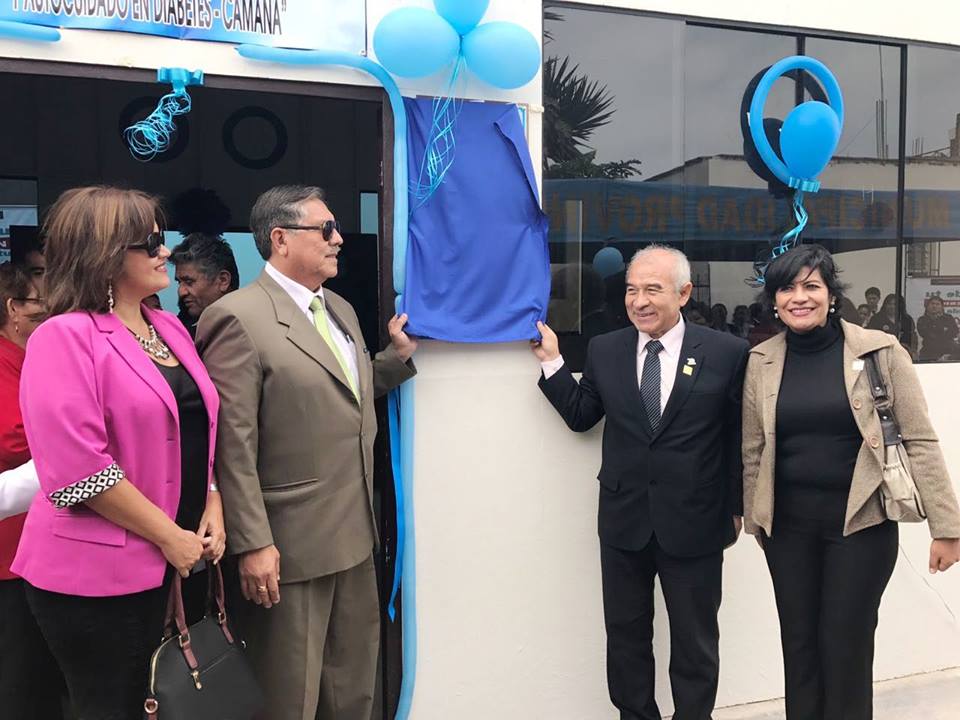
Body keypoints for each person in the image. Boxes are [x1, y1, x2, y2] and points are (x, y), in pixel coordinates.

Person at [195, 185, 417, 720]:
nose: (339, 240)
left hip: (355, 534)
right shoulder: (237, 317)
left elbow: (338, 391)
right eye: (326, 229)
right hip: (288, 548)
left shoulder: (339, 308)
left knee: (353, 689)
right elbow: (232, 443)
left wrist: (394, 361)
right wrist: (253, 542)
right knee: (289, 695)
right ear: (280, 239)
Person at [12, 186, 227, 720]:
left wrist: (212, 499)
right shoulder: (63, 337)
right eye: (150, 243)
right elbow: (78, 471)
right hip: (98, 576)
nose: (165, 252)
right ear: (104, 254)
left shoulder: (168, 327)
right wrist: (170, 536)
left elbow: (198, 428)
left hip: (180, 559)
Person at [742, 244, 960, 720]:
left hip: (861, 526)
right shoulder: (761, 361)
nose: (800, 297)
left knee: (845, 645)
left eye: (811, 286)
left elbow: (919, 440)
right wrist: (758, 521)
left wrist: (947, 527)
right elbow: (753, 448)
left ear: (831, 295)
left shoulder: (880, 351)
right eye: (787, 288)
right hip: (789, 532)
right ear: (774, 301)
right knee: (799, 645)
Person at [532, 245, 749, 720]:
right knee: (626, 636)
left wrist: (736, 508)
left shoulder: (726, 352)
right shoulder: (605, 349)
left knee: (695, 640)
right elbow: (582, 415)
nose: (639, 301)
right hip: (624, 518)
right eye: (632, 290)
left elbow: (737, 437)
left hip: (696, 521)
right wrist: (552, 363)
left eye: (653, 289)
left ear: (684, 293)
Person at [0, 262, 65, 718]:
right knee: (20, 671)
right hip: (10, 545)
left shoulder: (31, 359)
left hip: (39, 540)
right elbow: (13, 437)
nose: (48, 310)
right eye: (40, 303)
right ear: (13, 309)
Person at [170, 232, 239, 336]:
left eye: (189, 282)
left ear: (223, 280)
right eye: (179, 282)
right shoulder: (175, 331)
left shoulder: (245, 329)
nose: (181, 292)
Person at [868, 293, 918, 357]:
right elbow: (871, 337)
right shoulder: (876, 319)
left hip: (904, 353)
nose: (892, 306)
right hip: (882, 353)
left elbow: (913, 337)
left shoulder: (907, 319)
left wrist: (913, 350)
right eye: (889, 304)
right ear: (885, 305)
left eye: (895, 304)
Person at [917, 295, 958, 362]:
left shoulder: (949, 318)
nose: (934, 306)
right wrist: (943, 330)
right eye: (932, 304)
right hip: (928, 354)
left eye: (937, 304)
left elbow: (954, 332)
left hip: (947, 353)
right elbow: (926, 334)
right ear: (927, 306)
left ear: (942, 307)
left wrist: (937, 326)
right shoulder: (922, 320)